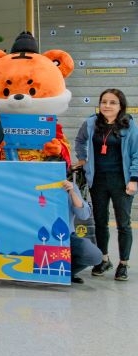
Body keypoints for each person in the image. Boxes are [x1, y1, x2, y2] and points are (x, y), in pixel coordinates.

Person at [75, 88, 138, 281]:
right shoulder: (91, 123)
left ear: (121, 106)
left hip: (121, 181)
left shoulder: (129, 125)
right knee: (100, 222)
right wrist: (82, 158)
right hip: (98, 180)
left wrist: (134, 179)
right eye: (104, 102)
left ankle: (123, 264)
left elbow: (136, 153)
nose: (107, 106)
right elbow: (80, 140)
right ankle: (104, 259)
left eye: (112, 102)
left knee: (123, 224)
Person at [62, 180, 104, 284]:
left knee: (94, 255)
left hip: (66, 237)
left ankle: (66, 273)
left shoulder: (70, 186)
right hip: (34, 236)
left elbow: (84, 215)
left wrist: (72, 192)